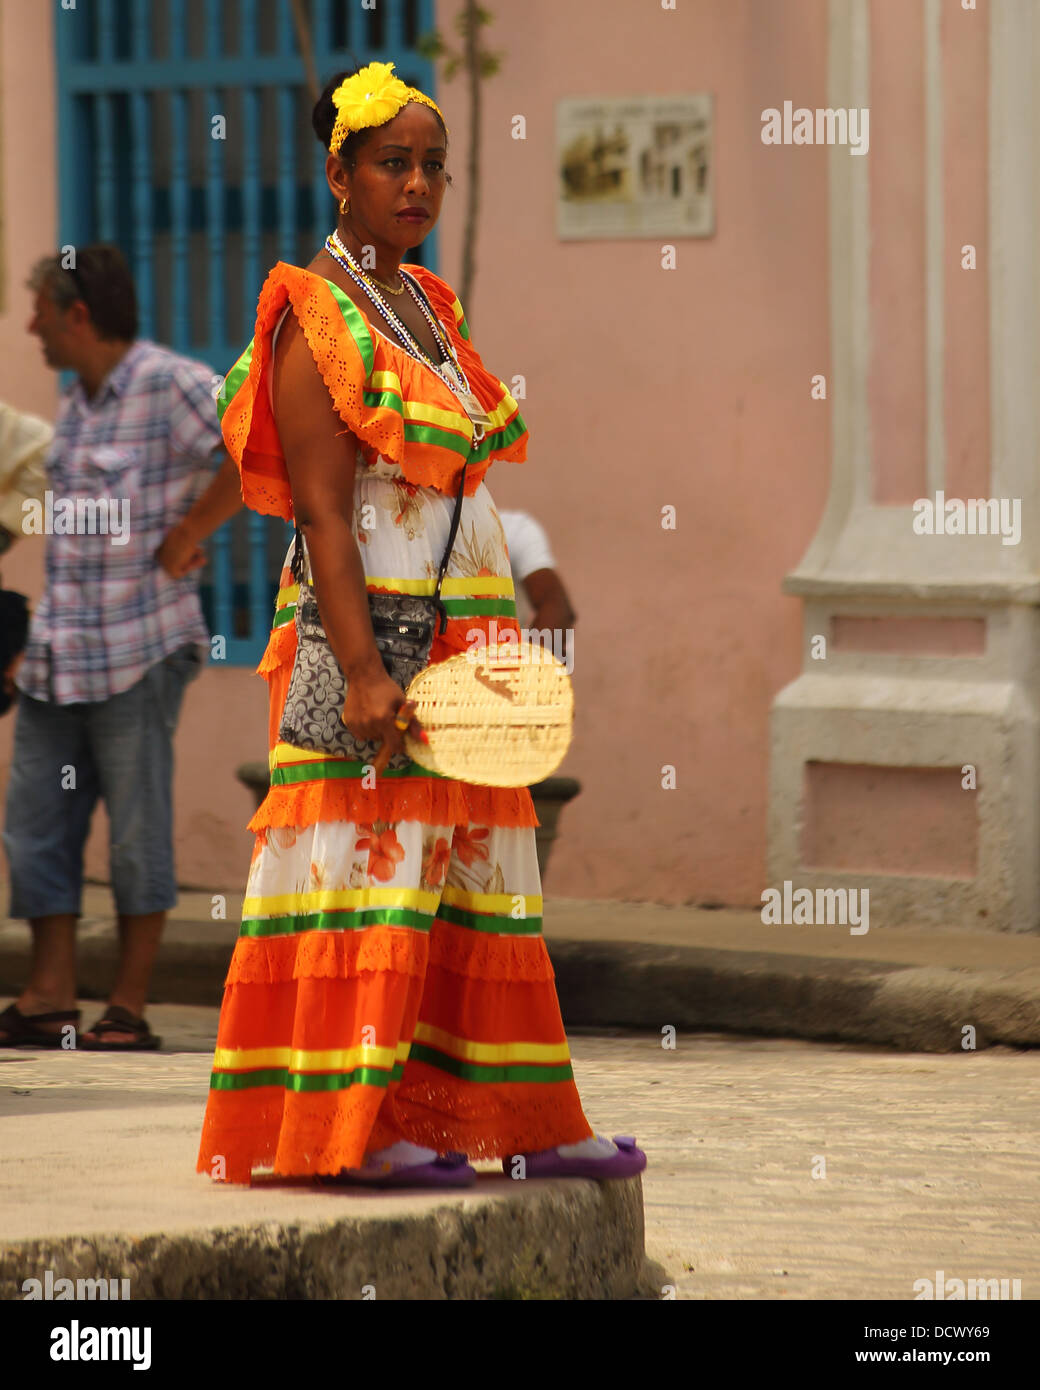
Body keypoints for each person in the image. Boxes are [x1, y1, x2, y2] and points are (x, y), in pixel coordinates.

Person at [196, 62, 646, 1187]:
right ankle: (349, 1130)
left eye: (433, 166)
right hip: (379, 640)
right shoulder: (314, 311)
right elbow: (319, 510)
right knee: (374, 870)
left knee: (489, 878)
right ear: (339, 175)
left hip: (467, 646)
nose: (417, 184)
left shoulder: (429, 307)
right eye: (392, 163)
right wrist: (359, 668)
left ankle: (525, 1120)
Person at [0, 245, 244, 1050]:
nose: (30, 327)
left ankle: (127, 1010)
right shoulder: (76, 402)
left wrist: (190, 531)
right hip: (59, 657)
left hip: (139, 649)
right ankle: (49, 998)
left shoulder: (170, 383)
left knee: (137, 832)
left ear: (78, 315)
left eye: (40, 312)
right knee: (36, 826)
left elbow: (254, 446)